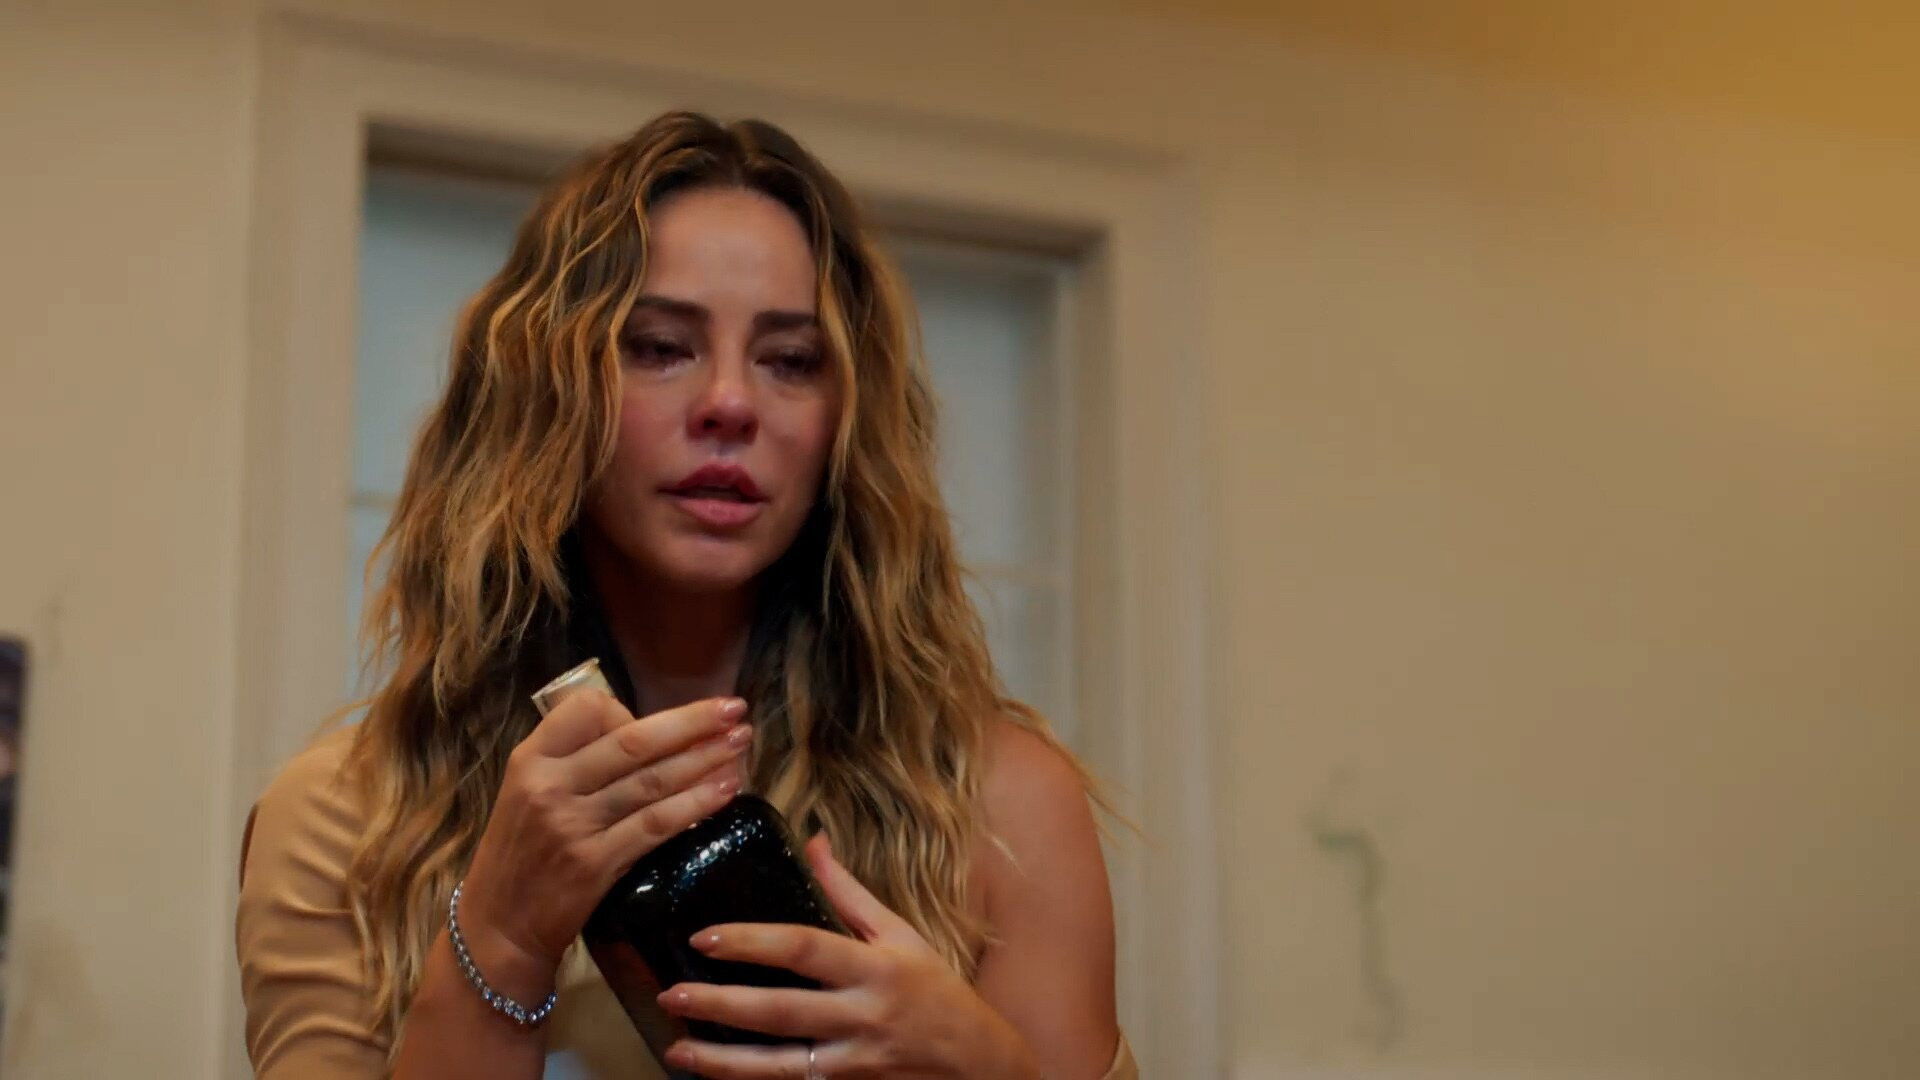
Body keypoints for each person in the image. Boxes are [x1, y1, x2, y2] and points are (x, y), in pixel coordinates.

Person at [236, 111, 1135, 1080]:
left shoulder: (1000, 804)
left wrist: (979, 1061)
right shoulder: (346, 821)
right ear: (547, 396)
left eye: (791, 361)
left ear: (845, 423)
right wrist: (500, 935)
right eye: (661, 346)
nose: (730, 404)